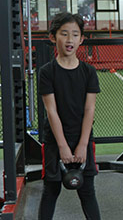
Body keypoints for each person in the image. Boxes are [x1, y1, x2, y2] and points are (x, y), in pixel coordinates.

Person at [38, 12, 101, 219]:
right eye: (64, 34)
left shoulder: (89, 72)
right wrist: (63, 146)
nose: (69, 39)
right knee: (51, 191)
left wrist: (82, 144)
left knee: (87, 192)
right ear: (52, 37)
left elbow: (89, 109)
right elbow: (51, 110)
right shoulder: (47, 72)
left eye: (75, 35)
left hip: (82, 139)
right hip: (56, 142)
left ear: (81, 39)